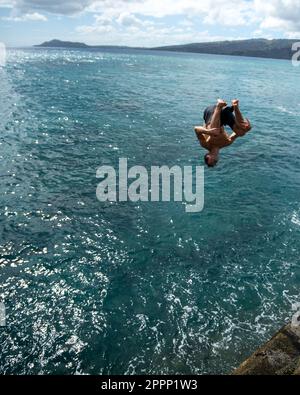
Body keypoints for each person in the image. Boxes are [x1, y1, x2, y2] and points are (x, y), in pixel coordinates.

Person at [194, 99, 252, 167]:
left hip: (211, 113)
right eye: (215, 163)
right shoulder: (226, 143)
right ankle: (235, 106)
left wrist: (208, 132)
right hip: (224, 115)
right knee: (241, 132)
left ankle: (219, 105)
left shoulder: (205, 144)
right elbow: (238, 134)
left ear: (208, 156)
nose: (215, 163)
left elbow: (196, 129)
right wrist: (245, 130)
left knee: (215, 132)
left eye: (212, 162)